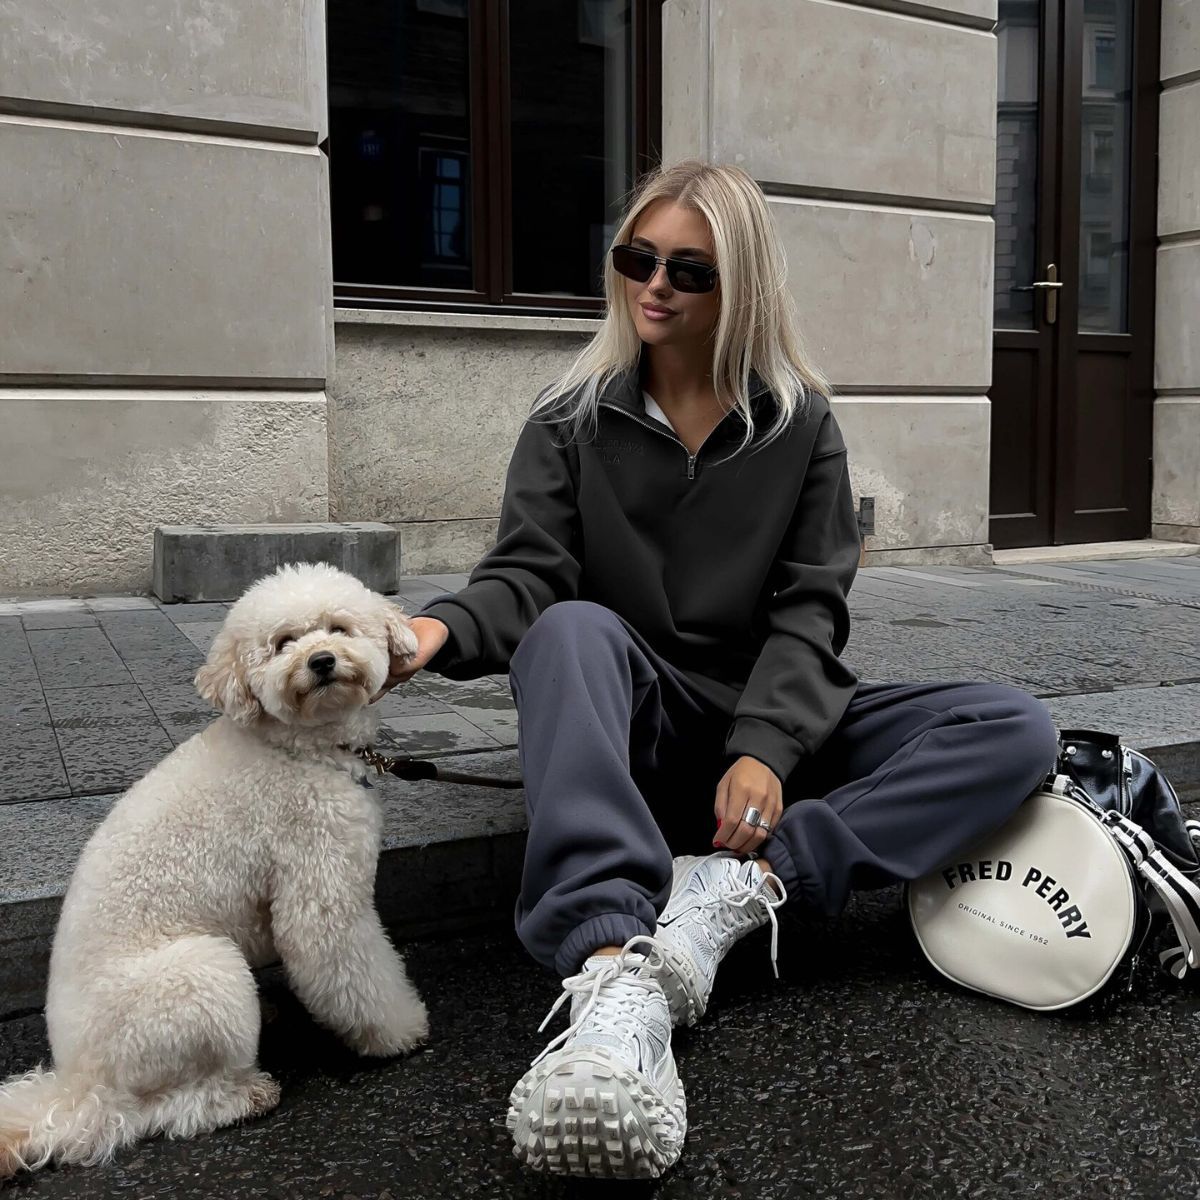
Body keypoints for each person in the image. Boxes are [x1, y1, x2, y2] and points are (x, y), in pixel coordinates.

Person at [376, 160, 1059, 1179]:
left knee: (1013, 729)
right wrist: (428, 637)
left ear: (741, 289)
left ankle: (746, 889)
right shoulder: (569, 420)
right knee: (569, 630)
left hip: (768, 737)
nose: (653, 285)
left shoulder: (802, 427)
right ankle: (613, 968)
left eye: (687, 270)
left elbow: (810, 612)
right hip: (644, 719)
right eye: (637, 258)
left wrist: (769, 751)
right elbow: (525, 577)